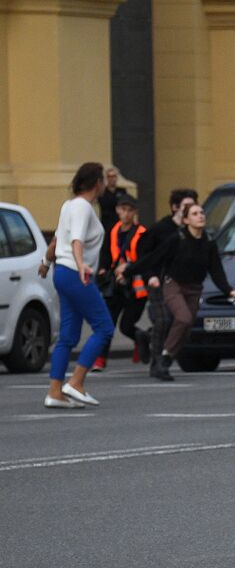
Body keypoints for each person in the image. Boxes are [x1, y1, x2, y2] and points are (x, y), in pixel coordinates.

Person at [127, 203, 235, 380]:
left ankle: (164, 361)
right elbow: (154, 258)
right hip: (174, 285)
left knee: (187, 327)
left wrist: (229, 291)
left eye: (202, 212)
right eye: (195, 214)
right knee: (183, 318)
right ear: (186, 219)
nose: (200, 216)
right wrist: (128, 271)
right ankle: (164, 360)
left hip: (195, 289)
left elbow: (216, 271)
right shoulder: (177, 239)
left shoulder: (209, 243)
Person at [41, 162, 115, 409]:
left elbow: (56, 240)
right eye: (103, 180)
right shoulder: (83, 207)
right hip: (75, 273)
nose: (104, 185)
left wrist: (45, 262)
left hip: (61, 272)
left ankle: (54, 392)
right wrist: (82, 264)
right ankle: (77, 381)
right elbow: (76, 240)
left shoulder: (68, 205)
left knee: (68, 336)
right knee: (104, 327)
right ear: (97, 183)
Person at [142, 189, 198, 377]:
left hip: (180, 283)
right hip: (157, 281)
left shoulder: (193, 231)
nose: (191, 210)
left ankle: (155, 343)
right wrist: (150, 275)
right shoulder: (160, 230)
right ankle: (157, 362)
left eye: (194, 206)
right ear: (175, 208)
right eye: (186, 207)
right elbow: (146, 256)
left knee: (182, 321)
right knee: (163, 318)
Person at [98, 192, 151, 368]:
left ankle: (141, 338)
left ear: (135, 212)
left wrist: (127, 269)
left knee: (127, 325)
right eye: (123, 209)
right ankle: (100, 359)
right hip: (116, 285)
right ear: (117, 210)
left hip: (136, 287)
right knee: (108, 322)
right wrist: (103, 269)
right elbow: (105, 254)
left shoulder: (142, 233)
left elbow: (145, 258)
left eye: (130, 210)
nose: (126, 213)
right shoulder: (112, 231)